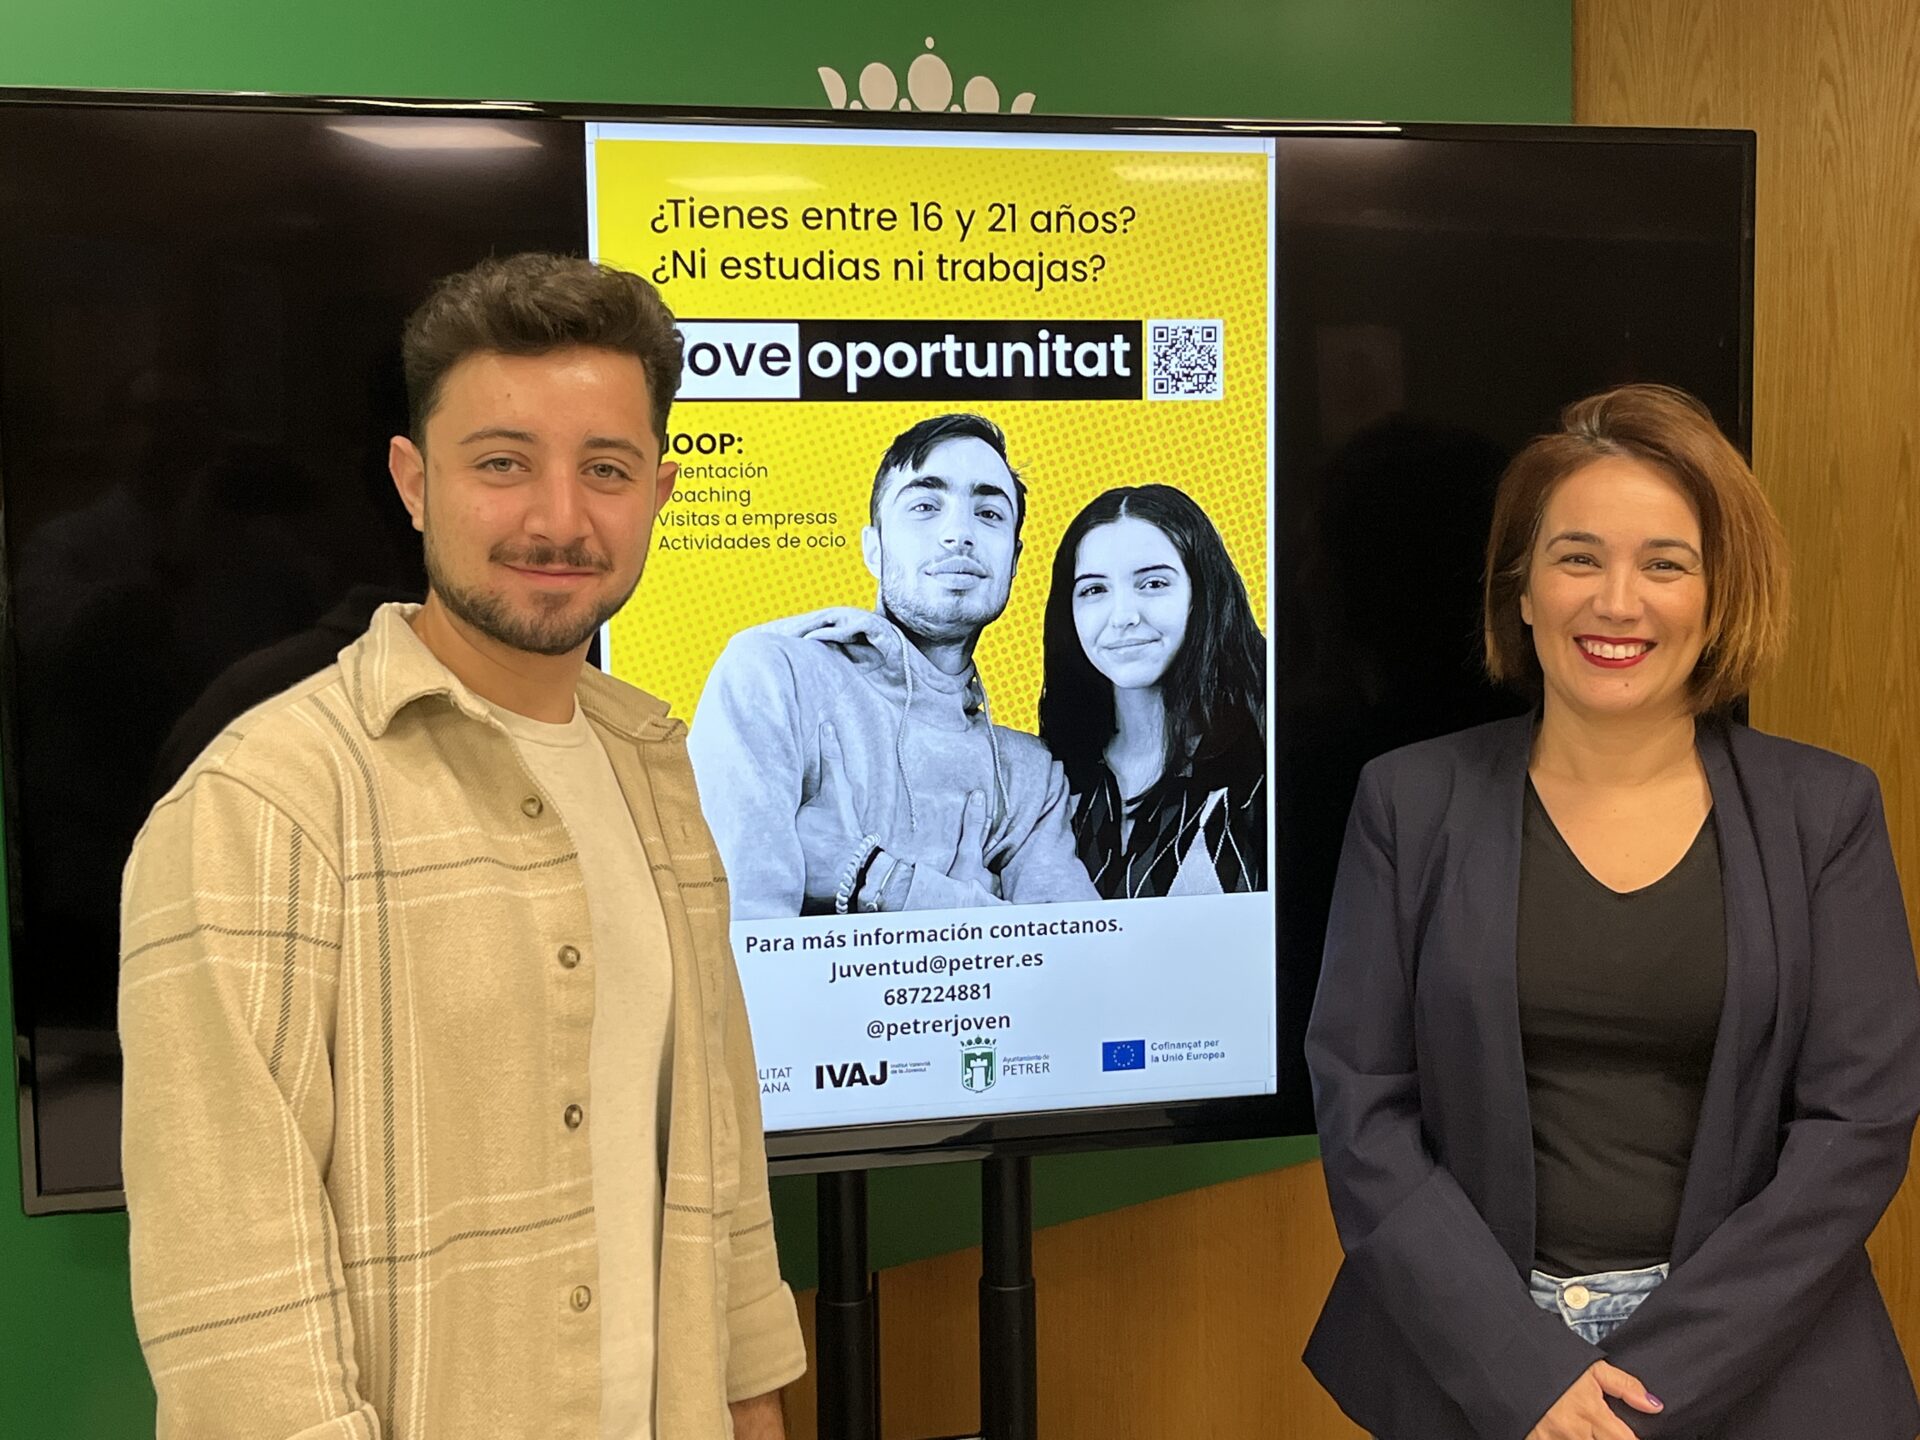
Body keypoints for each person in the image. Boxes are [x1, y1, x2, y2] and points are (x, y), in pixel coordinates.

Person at [118, 253, 805, 1440]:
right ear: (414, 481)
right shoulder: (263, 804)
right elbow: (236, 1316)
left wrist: (754, 1407)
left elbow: (722, 1175)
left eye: (605, 469)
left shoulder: (658, 771)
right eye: (502, 463)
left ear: (659, 491)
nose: (558, 519)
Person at [1304, 383, 1920, 1440]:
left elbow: (1857, 1128)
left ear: (1720, 596)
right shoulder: (1408, 802)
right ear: (1524, 590)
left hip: (1764, 1369)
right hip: (1475, 1368)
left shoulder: (1826, 812)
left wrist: (1645, 1389)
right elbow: (1364, 1111)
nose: (1617, 602)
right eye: (1578, 558)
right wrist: (1527, 1374)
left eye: (1665, 564)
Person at [688, 412, 1098, 918]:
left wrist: (872, 876)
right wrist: (983, 911)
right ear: (873, 550)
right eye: (925, 506)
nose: (959, 534)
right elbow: (737, 942)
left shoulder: (1029, 778)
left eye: (989, 513)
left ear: (1013, 562)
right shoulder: (773, 677)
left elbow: (1073, 951)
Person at [1037, 483, 1266, 898]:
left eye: (1154, 584)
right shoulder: (1048, 782)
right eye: (1094, 590)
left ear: (1201, 593)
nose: (1123, 616)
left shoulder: (1265, 764)